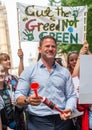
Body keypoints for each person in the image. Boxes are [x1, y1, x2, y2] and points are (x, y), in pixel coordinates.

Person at [15, 35, 77, 130]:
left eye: (53, 46)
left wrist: (69, 108)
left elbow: (71, 95)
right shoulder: (28, 71)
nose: (51, 49)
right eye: (47, 46)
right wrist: (27, 100)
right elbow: (18, 96)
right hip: (38, 122)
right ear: (40, 49)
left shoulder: (64, 72)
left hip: (63, 121)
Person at [67, 40, 91, 130]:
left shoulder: (87, 72)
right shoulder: (67, 74)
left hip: (87, 111)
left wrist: (87, 50)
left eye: (76, 59)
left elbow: (90, 61)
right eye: (71, 60)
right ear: (68, 62)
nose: (74, 61)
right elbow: (74, 77)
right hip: (75, 112)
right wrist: (80, 57)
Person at [0, 53, 26, 130]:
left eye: (9, 59)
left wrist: (21, 59)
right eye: (5, 60)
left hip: (18, 116)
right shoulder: (2, 81)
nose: (9, 61)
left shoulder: (14, 78)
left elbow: (22, 75)